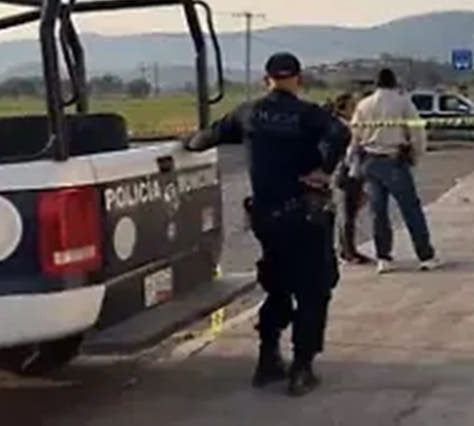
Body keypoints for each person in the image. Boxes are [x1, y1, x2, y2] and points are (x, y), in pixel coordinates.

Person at [183, 52, 348, 397]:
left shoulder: (248, 113)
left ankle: (267, 358)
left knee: (277, 286)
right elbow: (340, 133)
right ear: (298, 79)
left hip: (267, 218)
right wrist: (324, 170)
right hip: (305, 216)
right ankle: (302, 368)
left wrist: (183, 145)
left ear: (266, 80)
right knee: (313, 290)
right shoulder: (309, 115)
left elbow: (203, 139)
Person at [349, 68, 440, 273]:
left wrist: (352, 160)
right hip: (394, 160)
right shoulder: (403, 102)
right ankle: (425, 256)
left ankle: (384, 258)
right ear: (394, 82)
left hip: (370, 161)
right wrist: (416, 155)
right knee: (411, 210)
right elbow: (417, 132)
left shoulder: (364, 105)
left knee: (378, 212)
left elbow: (355, 135)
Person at [327, 92, 372, 265]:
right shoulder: (337, 129)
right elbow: (332, 154)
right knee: (345, 214)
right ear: (342, 109)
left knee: (350, 213)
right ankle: (347, 252)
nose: (356, 109)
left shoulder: (352, 126)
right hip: (343, 174)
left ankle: (348, 249)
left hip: (354, 173)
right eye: (352, 106)